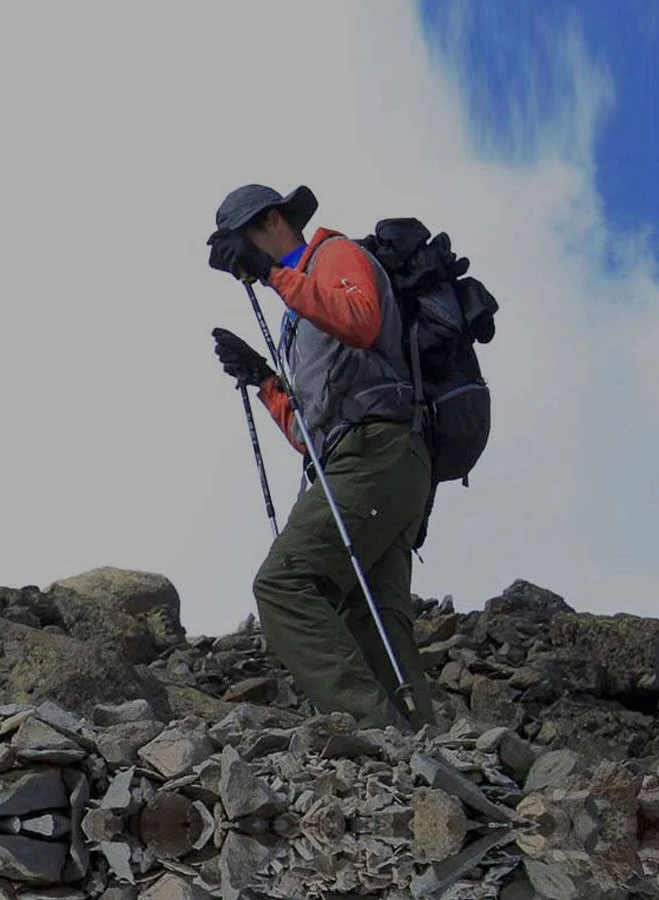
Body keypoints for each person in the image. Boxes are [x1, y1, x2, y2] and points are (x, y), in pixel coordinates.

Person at [206, 183, 436, 730]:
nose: (243, 263)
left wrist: (272, 275)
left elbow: (360, 320)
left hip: (377, 451)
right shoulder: (300, 300)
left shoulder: (334, 256)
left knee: (283, 584)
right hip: (368, 461)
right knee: (369, 611)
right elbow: (310, 435)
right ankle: (425, 748)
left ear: (270, 221)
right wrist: (264, 380)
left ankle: (373, 730)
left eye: (242, 244)